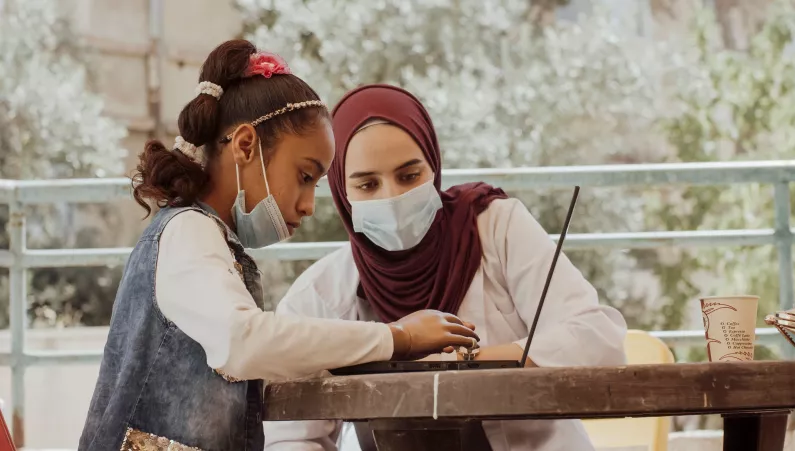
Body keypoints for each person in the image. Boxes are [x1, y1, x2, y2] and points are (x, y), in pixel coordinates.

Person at [78, 42, 478, 451]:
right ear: (246, 146)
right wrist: (398, 338)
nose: (308, 206)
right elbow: (243, 341)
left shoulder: (213, 242)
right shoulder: (185, 232)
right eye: (305, 176)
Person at [263, 84, 628, 451]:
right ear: (343, 192)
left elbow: (598, 340)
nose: (392, 198)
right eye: (367, 184)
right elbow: (292, 436)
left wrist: (468, 364)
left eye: (409, 176)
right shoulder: (321, 295)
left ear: (433, 167)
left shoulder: (496, 229)